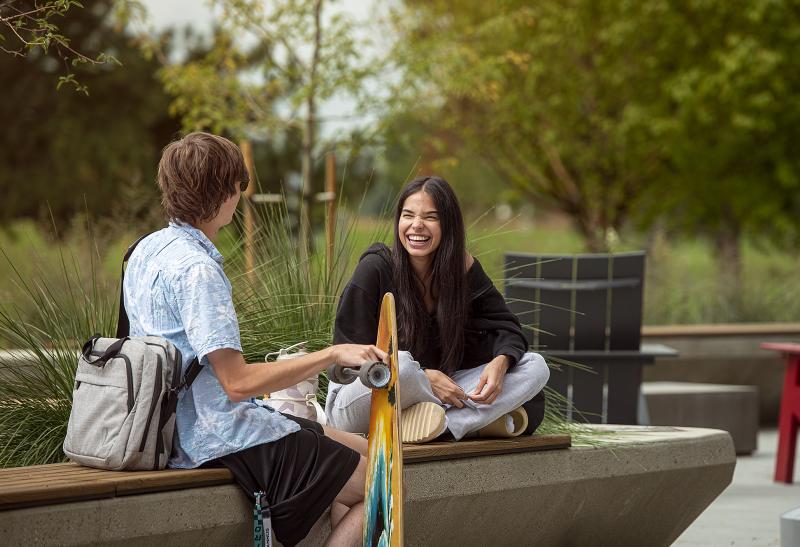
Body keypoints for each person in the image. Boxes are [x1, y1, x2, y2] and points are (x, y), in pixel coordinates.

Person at [123, 132, 379, 547]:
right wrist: (331, 353)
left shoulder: (146, 249)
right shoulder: (198, 270)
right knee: (382, 479)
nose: (240, 195)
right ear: (224, 192)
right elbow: (237, 382)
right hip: (214, 436)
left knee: (364, 447)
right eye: (238, 186)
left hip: (173, 427)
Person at [326, 175, 550, 442]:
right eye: (408, 215)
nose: (416, 225)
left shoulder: (462, 270)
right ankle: (459, 421)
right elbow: (346, 358)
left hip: (425, 398)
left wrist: (500, 363)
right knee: (405, 366)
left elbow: (506, 325)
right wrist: (426, 377)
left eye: (430, 217)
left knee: (535, 366)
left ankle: (438, 425)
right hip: (360, 393)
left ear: (448, 225)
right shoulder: (375, 269)